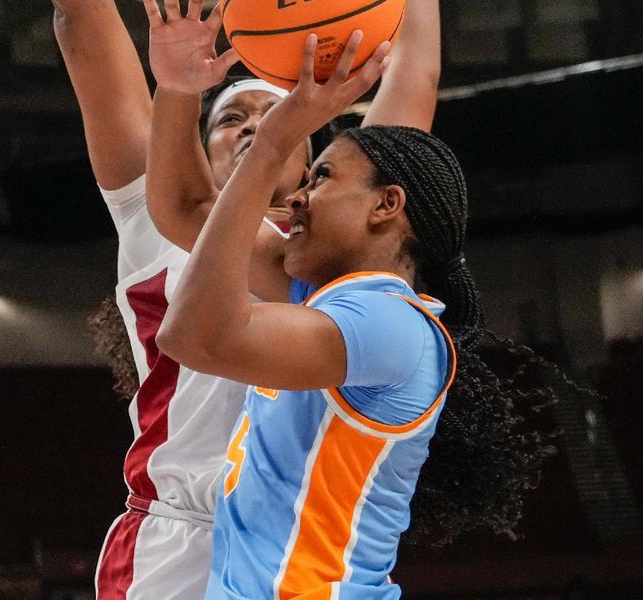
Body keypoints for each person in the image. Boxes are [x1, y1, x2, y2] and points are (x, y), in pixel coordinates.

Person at [53, 0, 441, 598]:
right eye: (231, 116)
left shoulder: (345, 258)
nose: (258, 126)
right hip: (175, 534)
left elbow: (413, 73)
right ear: (195, 151)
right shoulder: (155, 214)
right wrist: (178, 89)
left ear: (318, 163)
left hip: (297, 541)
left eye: (279, 113)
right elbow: (81, 19)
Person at [154, 34, 506, 598]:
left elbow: (195, 336)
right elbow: (184, 209)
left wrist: (272, 144)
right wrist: (176, 90)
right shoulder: (318, 292)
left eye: (320, 179)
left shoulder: (388, 325)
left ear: (386, 205)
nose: (297, 198)